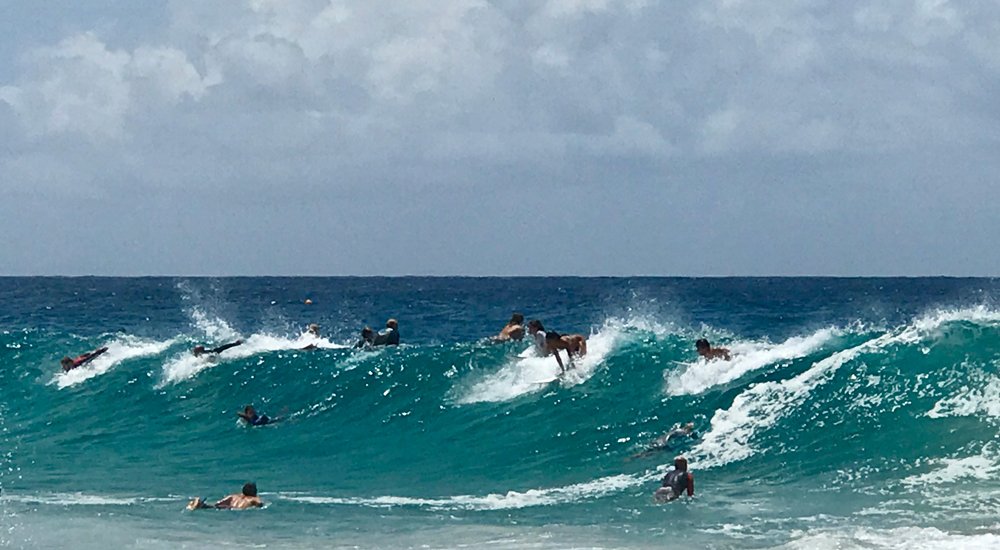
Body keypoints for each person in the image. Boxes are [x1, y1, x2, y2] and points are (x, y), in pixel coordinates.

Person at [630, 423, 698, 459]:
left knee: (649, 451)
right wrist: (666, 442)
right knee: (652, 452)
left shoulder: (677, 429)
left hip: (659, 440)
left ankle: (635, 457)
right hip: (662, 443)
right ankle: (637, 457)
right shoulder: (681, 431)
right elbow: (670, 435)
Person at [187, 482, 264, 510]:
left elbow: (219, 502)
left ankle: (200, 504)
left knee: (214, 506)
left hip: (227, 505)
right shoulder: (253, 499)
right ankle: (201, 505)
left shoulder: (234, 496)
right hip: (234, 509)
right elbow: (260, 504)